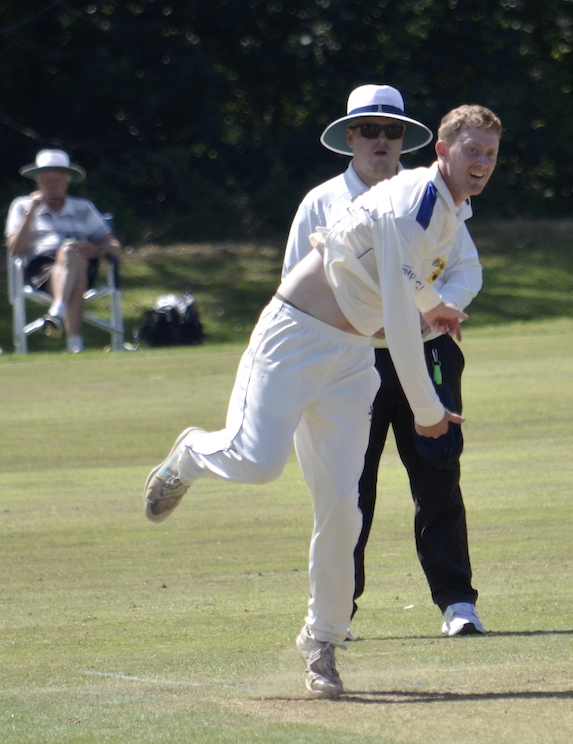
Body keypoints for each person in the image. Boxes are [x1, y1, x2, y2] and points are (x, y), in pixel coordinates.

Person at [143, 104, 502, 698]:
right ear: (442, 150)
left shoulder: (448, 209)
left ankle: (322, 643)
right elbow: (398, 313)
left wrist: (432, 300)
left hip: (351, 358)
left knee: (342, 503)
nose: (482, 163)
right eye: (472, 151)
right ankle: (190, 454)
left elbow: (406, 285)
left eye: (490, 153)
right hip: (297, 336)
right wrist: (429, 411)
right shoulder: (413, 201)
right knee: (259, 463)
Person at [283, 84, 485, 639]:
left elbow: (466, 269)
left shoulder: (432, 194)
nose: (380, 141)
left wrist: (437, 311)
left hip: (426, 352)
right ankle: (337, 612)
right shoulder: (321, 202)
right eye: (368, 130)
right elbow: (294, 293)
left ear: (406, 139)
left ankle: (456, 603)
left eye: (391, 131)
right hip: (350, 363)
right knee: (351, 489)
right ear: (349, 137)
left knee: (439, 473)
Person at [5, 149, 122, 353]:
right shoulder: (22, 205)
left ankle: (56, 312)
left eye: (57, 180)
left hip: (84, 263)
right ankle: (75, 345)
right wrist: (31, 213)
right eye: (47, 180)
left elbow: (115, 247)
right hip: (43, 269)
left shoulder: (83, 208)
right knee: (74, 272)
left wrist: (97, 249)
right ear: (38, 182)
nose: (52, 186)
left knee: (71, 253)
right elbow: (15, 250)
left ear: (67, 182)